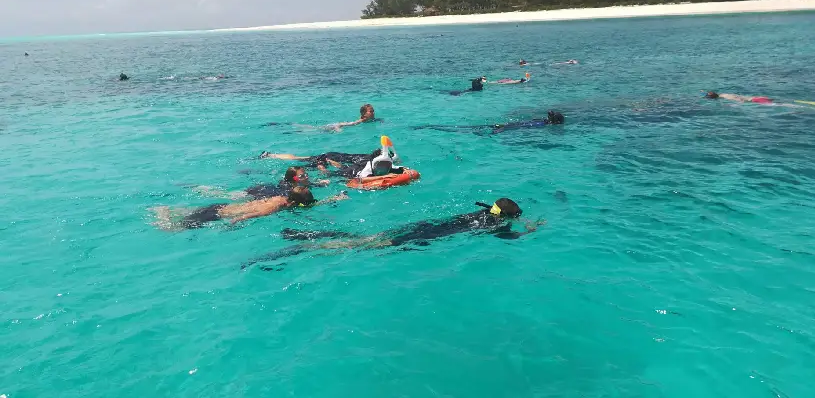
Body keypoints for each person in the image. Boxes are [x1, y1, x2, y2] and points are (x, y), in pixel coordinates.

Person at [242, 198, 545, 269]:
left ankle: (305, 235)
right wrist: (531, 230)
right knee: (361, 246)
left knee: (366, 237)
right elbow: (511, 236)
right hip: (423, 236)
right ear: (506, 216)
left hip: (420, 227)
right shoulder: (494, 225)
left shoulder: (480, 213)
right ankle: (304, 249)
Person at [152, 186, 348, 231]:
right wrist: (238, 221)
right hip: (219, 215)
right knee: (174, 228)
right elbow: (259, 213)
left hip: (221, 207)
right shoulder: (280, 205)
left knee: (188, 215)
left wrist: (333, 198)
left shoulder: (281, 197)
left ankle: (166, 210)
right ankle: (163, 218)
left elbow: (307, 204)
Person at [413, 110, 564, 135]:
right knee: (464, 130)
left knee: (464, 128)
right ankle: (430, 127)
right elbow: (519, 127)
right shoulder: (541, 124)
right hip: (503, 128)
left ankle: (429, 126)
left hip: (501, 125)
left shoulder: (539, 121)